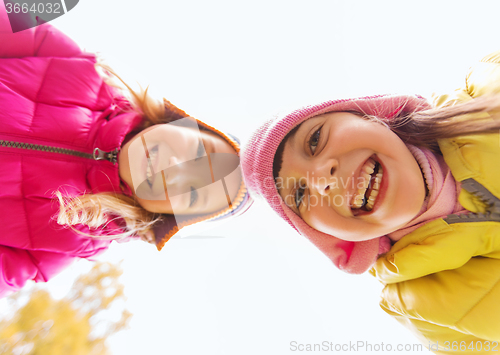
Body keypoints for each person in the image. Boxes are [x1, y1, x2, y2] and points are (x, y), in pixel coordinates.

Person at [241, 51, 500, 353]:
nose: (322, 177)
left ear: (371, 115)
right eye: (300, 195)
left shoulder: (489, 82)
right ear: (329, 237)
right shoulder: (424, 310)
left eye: (314, 140)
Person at [0, 3, 251, 298]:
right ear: (185, 123)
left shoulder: (70, 241)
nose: (174, 166)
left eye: (193, 193)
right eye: (199, 151)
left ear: (167, 217)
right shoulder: (81, 71)